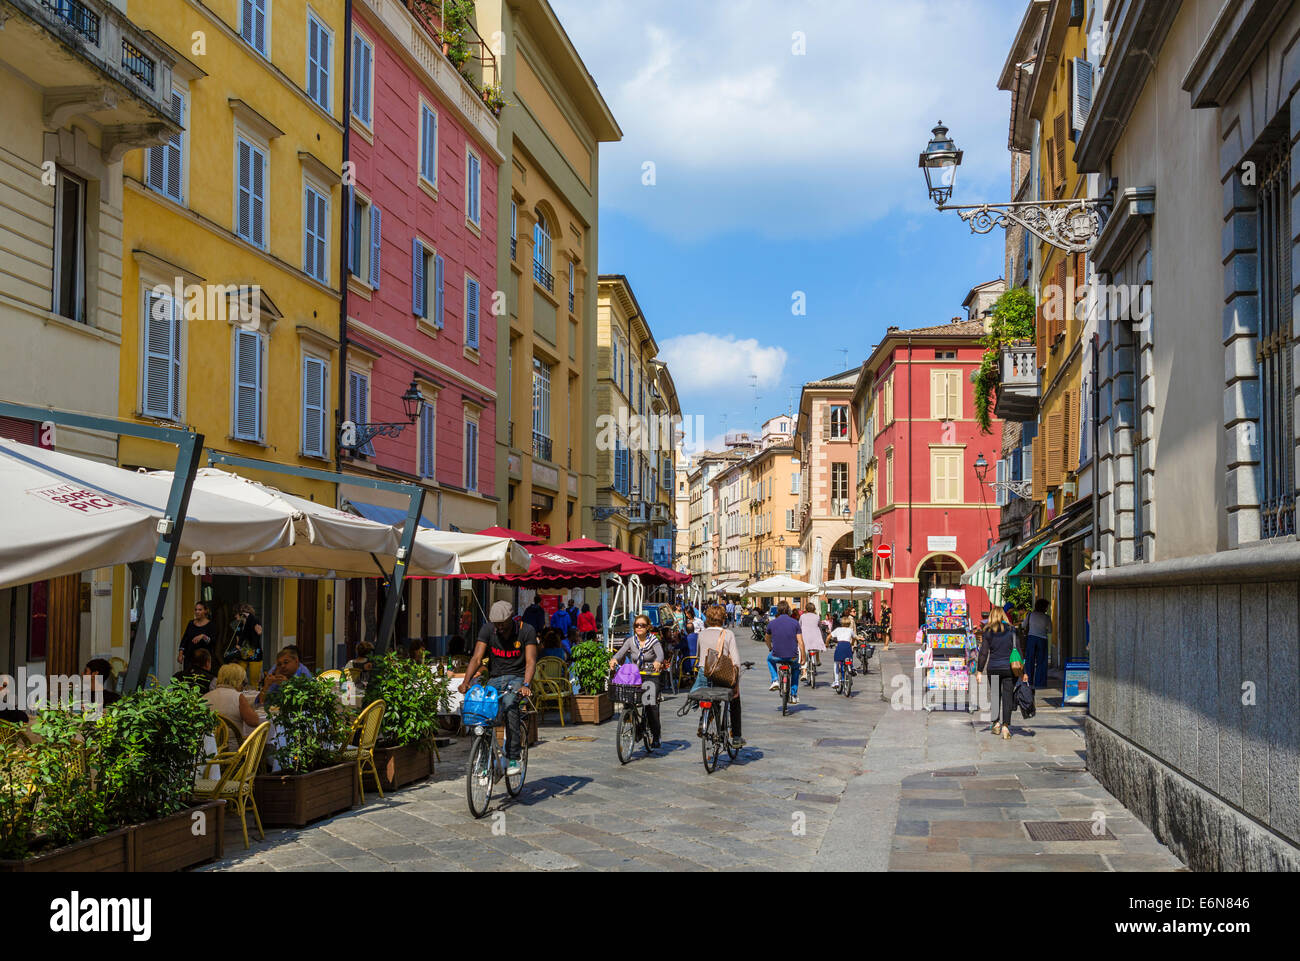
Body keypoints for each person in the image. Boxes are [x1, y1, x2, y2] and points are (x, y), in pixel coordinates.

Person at [461, 600, 538, 776]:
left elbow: (530, 661)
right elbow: (476, 658)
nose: (499, 627)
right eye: (496, 624)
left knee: (511, 705)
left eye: (502, 623)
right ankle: (483, 756)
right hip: (495, 679)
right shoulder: (488, 630)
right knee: (481, 711)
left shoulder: (526, 631)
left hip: (517, 678)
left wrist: (526, 684)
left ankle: (513, 757)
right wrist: (466, 681)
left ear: (511, 618)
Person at [609, 614, 666, 749]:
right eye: (637, 625)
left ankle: (656, 735)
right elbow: (621, 653)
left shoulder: (654, 641)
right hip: (635, 676)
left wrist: (658, 661)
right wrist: (614, 659)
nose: (639, 627)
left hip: (651, 675)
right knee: (628, 699)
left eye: (642, 625)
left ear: (648, 627)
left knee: (650, 704)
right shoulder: (630, 641)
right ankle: (632, 720)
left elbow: (660, 654)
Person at [691, 605, 744, 747]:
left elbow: (698, 656)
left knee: (710, 697)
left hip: (704, 673)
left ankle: (704, 722)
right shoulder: (728, 634)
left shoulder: (701, 634)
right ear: (723, 618)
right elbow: (736, 662)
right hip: (722, 674)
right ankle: (737, 736)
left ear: (707, 618)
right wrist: (736, 684)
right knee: (735, 700)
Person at [976, 607, 1019, 739]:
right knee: (1007, 697)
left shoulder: (988, 631)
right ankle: (1006, 726)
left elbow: (984, 652)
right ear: (1004, 616)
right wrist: (1024, 671)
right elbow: (1018, 651)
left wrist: (979, 671)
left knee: (995, 695)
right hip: (1009, 669)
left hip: (993, 667)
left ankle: (996, 724)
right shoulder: (1012, 630)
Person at [203, 663, 261, 741]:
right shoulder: (238, 697)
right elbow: (254, 721)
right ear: (238, 681)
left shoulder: (205, 697)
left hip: (209, 748)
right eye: (243, 683)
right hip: (232, 749)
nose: (243, 687)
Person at [765, 601, 805, 705]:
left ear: (778, 610)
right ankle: (793, 694)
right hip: (792, 656)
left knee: (769, 659)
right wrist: (803, 657)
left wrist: (770, 648)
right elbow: (801, 642)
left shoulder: (772, 623)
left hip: (776, 655)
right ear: (788, 610)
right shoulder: (795, 623)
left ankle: (775, 680)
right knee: (796, 669)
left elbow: (767, 639)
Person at [178, 601, 217, 670]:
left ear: (205, 611)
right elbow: (185, 639)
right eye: (195, 610)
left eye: (200, 610)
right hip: (189, 658)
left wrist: (203, 636)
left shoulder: (211, 625)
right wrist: (181, 654)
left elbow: (213, 642)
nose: (197, 612)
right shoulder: (191, 623)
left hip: (203, 660)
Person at [1024, 599, 1051, 688]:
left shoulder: (1030, 614)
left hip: (1031, 638)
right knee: (1042, 662)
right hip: (1042, 639)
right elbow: (1050, 630)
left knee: (1029, 661)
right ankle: (1040, 682)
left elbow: (1024, 625)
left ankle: (1028, 681)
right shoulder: (1047, 617)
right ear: (1044, 607)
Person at [798, 603, 827, 682]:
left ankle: (804, 672)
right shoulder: (817, 617)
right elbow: (819, 626)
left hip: (805, 636)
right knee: (816, 646)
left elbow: (799, 625)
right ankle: (817, 659)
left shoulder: (802, 616)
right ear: (814, 609)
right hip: (815, 636)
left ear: (806, 609)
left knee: (802, 652)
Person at [829, 614, 856, 690]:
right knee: (849, 658)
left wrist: (826, 644)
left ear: (841, 623)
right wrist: (852, 643)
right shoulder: (850, 630)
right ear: (849, 623)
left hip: (840, 646)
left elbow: (828, 637)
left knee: (836, 663)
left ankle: (836, 681)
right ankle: (852, 667)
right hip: (847, 646)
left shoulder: (837, 629)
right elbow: (854, 637)